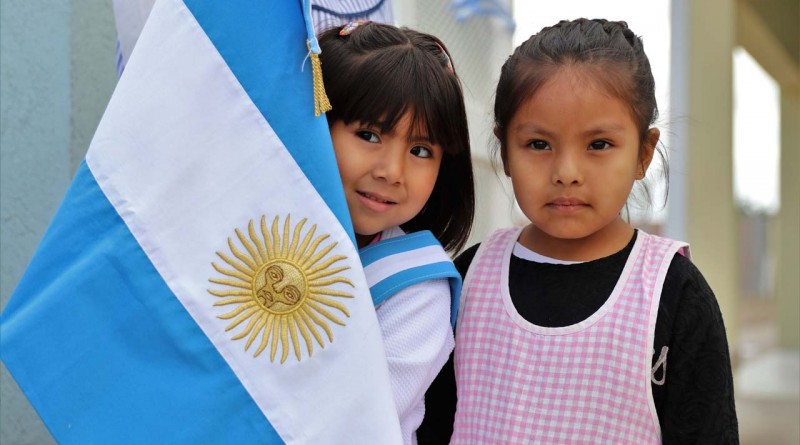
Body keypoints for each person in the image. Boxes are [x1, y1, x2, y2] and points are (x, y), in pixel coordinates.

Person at [418, 18, 738, 445]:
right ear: (505, 150)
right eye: (538, 144)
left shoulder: (674, 294)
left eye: (598, 144)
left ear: (643, 153)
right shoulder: (469, 279)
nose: (567, 172)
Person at [318, 21, 475, 444]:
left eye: (421, 150)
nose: (391, 171)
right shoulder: (256, 233)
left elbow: (356, 423)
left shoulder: (417, 287)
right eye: (368, 134)